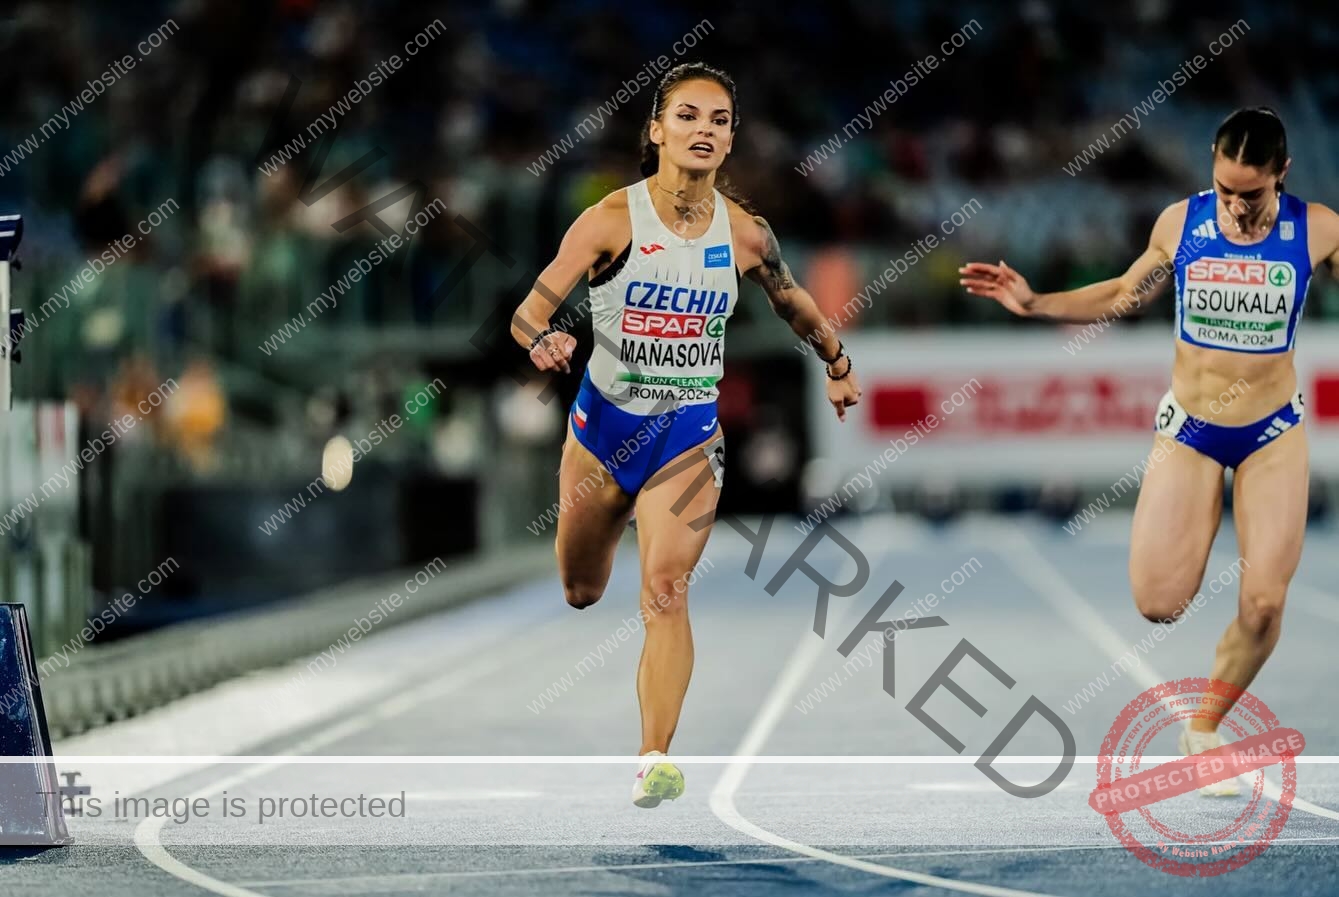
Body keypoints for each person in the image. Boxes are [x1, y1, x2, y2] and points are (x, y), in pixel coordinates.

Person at [511, 63, 861, 807]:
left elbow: (792, 300)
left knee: (666, 589)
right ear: (656, 130)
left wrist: (835, 358)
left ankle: (653, 757)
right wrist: (540, 340)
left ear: (731, 139)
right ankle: (593, 570)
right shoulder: (609, 218)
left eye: (720, 120)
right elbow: (528, 310)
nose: (705, 130)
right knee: (580, 588)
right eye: (689, 116)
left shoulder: (746, 233)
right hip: (602, 434)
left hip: (687, 436)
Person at [960, 107, 1339, 795]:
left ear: (1281, 174)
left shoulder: (1316, 229)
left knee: (1261, 603)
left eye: (1249, 195)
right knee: (1157, 602)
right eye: (1223, 189)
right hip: (1191, 429)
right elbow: (1122, 294)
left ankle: (1203, 726)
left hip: (1271, 432)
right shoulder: (1181, 222)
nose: (1234, 206)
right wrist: (1035, 302)